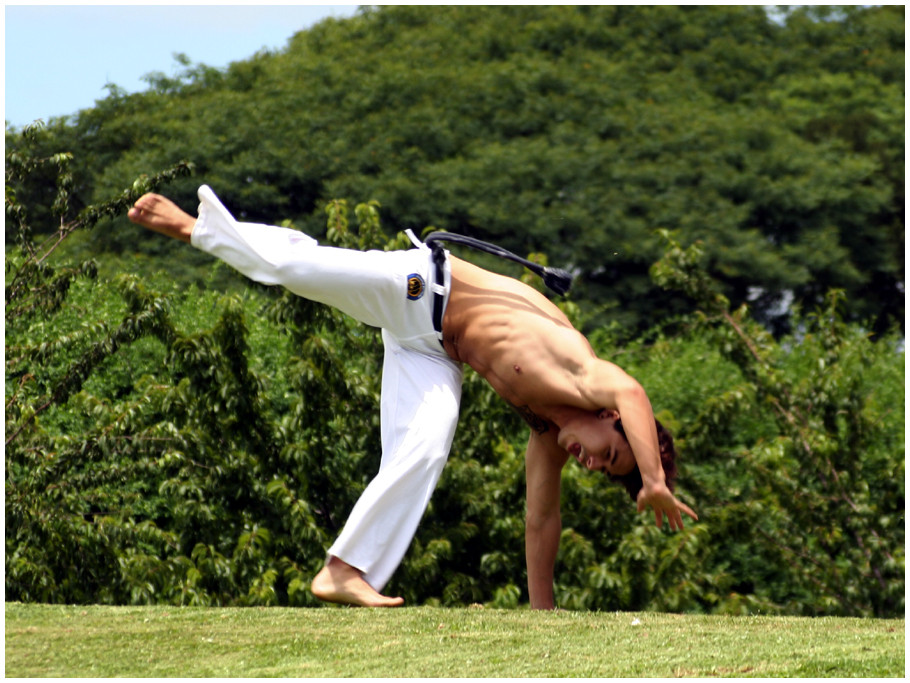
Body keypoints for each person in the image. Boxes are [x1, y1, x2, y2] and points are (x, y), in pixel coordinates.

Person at [128, 185, 697, 610]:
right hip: (422, 286)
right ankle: (193, 227)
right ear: (610, 418)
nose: (592, 462)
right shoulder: (582, 373)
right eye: (610, 452)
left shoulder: (548, 432)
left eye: (602, 470)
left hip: (428, 349)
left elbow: (541, 519)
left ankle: (344, 569)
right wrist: (652, 481)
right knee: (296, 265)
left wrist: (541, 614)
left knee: (424, 447)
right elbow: (631, 387)